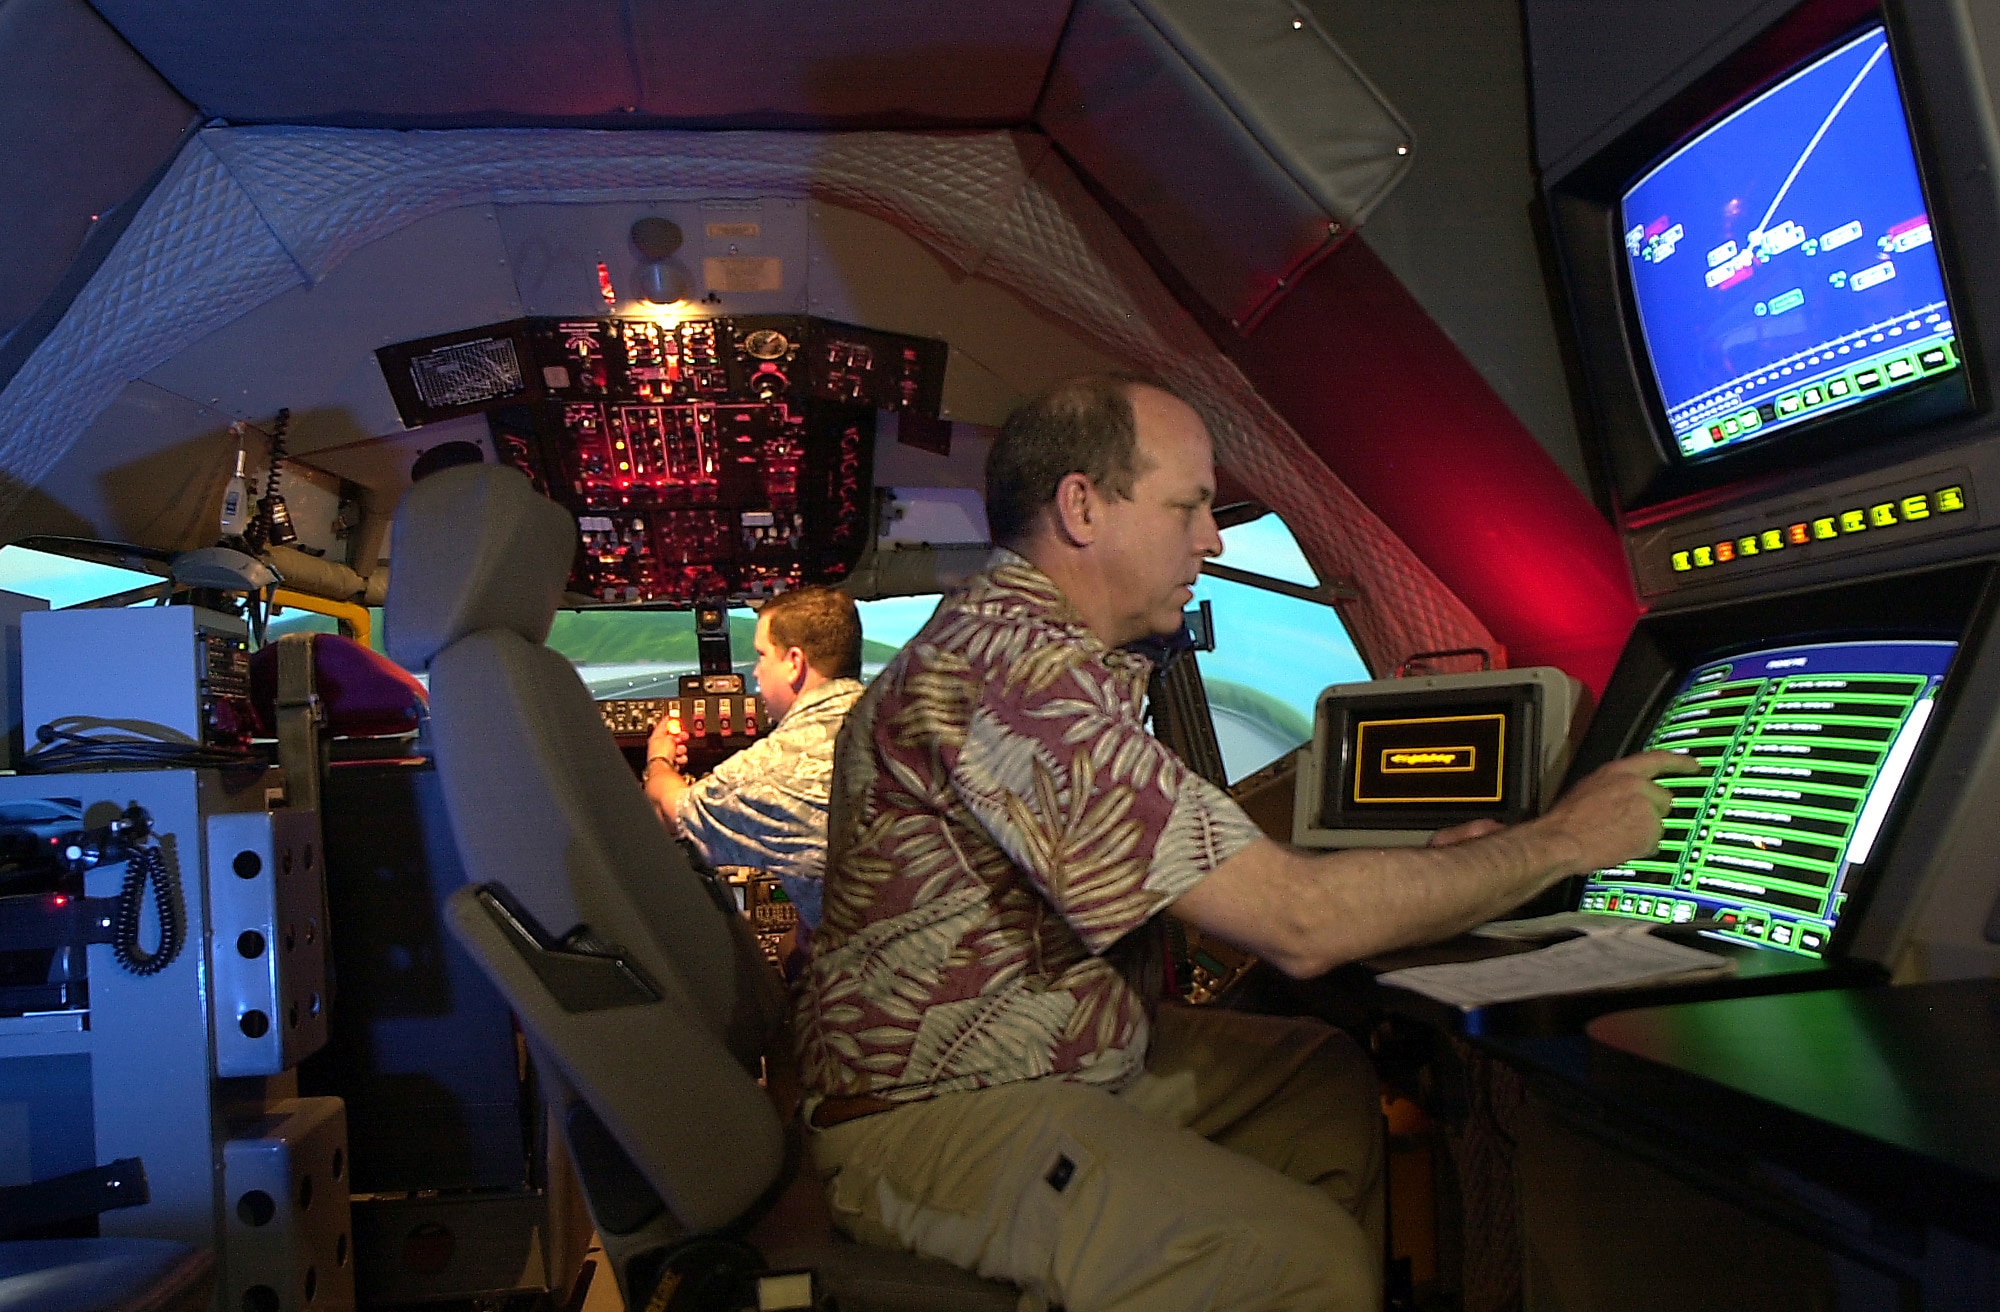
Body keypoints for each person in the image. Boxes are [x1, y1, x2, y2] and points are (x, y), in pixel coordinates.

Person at [792, 374, 1693, 1312]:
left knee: (1323, 1079)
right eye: (1187, 506)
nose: (1213, 538)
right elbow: (1298, 923)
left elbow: (1231, 873)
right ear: (1082, 507)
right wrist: (1562, 842)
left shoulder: (1045, 653)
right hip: (936, 1117)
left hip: (1069, 1058)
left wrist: (1437, 873)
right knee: (1299, 1264)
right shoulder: (1013, 675)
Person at [642, 585, 865, 934]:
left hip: (871, 977)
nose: (756, 672)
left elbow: (670, 812)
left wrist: (659, 761)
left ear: (794, 663)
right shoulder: (895, 720)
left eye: (762, 655)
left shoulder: (774, 768)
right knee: (795, 943)